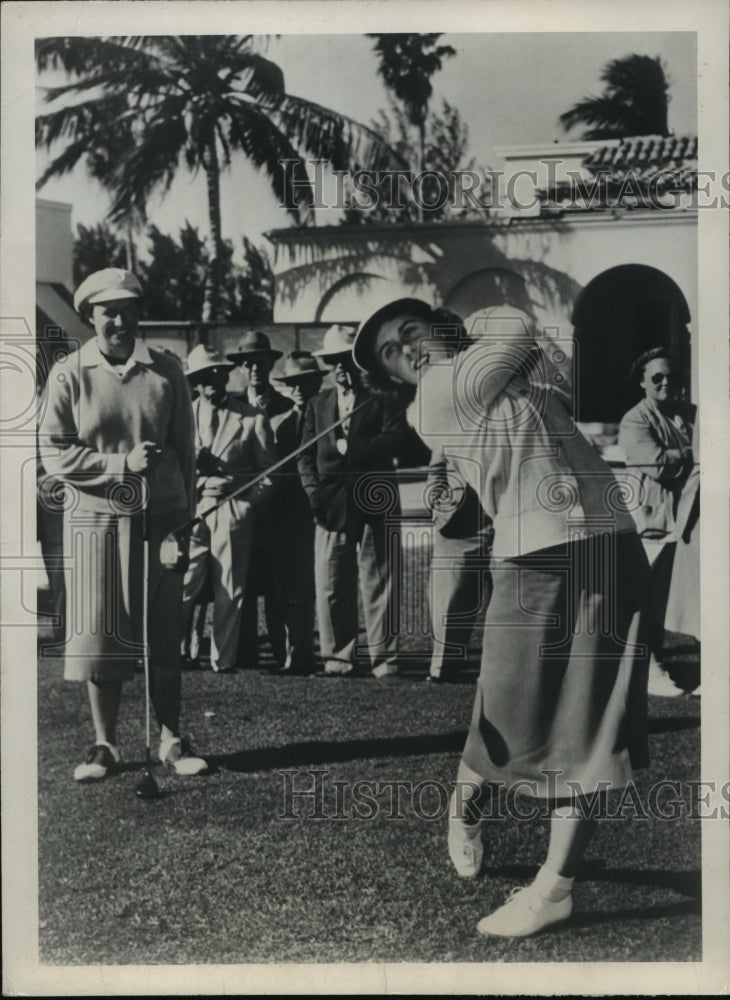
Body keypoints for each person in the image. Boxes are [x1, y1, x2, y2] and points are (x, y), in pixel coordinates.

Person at [353, 298, 650, 938]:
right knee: (504, 721)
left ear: (439, 328)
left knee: (592, 727)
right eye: (390, 353)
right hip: (534, 553)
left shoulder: (500, 378)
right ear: (395, 378)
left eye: (411, 332)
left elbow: (543, 357)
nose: (406, 350)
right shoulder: (434, 394)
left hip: (607, 542)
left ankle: (555, 888)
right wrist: (471, 332)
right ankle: (465, 810)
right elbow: (516, 322)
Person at [39, 267, 207, 781]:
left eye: (128, 309)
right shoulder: (69, 373)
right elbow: (54, 453)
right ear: (90, 316)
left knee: (162, 630)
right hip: (95, 518)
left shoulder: (167, 370)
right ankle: (104, 745)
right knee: (100, 633)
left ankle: (171, 739)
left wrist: (186, 516)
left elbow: (186, 451)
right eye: (108, 310)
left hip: (162, 517)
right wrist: (118, 465)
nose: (119, 319)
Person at [297, 324, 405, 679]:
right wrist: (313, 494)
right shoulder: (317, 405)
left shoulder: (383, 396)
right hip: (331, 506)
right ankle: (338, 658)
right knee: (332, 585)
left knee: (380, 581)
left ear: (359, 362)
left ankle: (384, 660)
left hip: (376, 502)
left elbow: (394, 441)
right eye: (334, 362)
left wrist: (351, 448)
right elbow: (305, 457)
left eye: (347, 360)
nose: (341, 368)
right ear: (327, 367)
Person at [181, 344, 277, 673]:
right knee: (183, 583)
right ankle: (173, 653)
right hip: (192, 510)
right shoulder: (182, 418)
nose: (213, 380)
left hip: (232, 508)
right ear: (195, 380)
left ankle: (223, 661)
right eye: (205, 375)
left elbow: (269, 474)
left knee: (229, 589)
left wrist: (246, 506)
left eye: (218, 373)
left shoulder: (252, 418)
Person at [618, 348, 696, 697]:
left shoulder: (687, 413)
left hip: (686, 520)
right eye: (657, 378)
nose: (666, 383)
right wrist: (693, 455)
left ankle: (663, 661)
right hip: (652, 519)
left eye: (672, 376)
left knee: (672, 597)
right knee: (644, 597)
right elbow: (656, 464)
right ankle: (648, 669)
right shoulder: (635, 419)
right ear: (642, 382)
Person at [226, 331, 293, 671]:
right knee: (243, 580)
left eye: (261, 363)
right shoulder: (230, 407)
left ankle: (283, 653)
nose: (254, 368)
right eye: (248, 363)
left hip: (276, 512)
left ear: (271, 365)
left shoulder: (288, 408)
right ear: (240, 367)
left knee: (277, 584)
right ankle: (245, 651)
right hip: (240, 511)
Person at [267, 352, 326, 675]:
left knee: (311, 585)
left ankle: (306, 652)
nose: (299, 389)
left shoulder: (328, 418)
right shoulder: (280, 424)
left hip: (319, 511)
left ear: (318, 382)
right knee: (283, 587)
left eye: (305, 382)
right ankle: (286, 653)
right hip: (284, 515)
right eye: (292, 384)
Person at [426, 457, 493, 683]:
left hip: (508, 515)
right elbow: (437, 464)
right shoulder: (452, 420)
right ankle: (444, 668)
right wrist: (437, 503)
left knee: (510, 598)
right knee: (449, 597)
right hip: (459, 518)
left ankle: (501, 669)